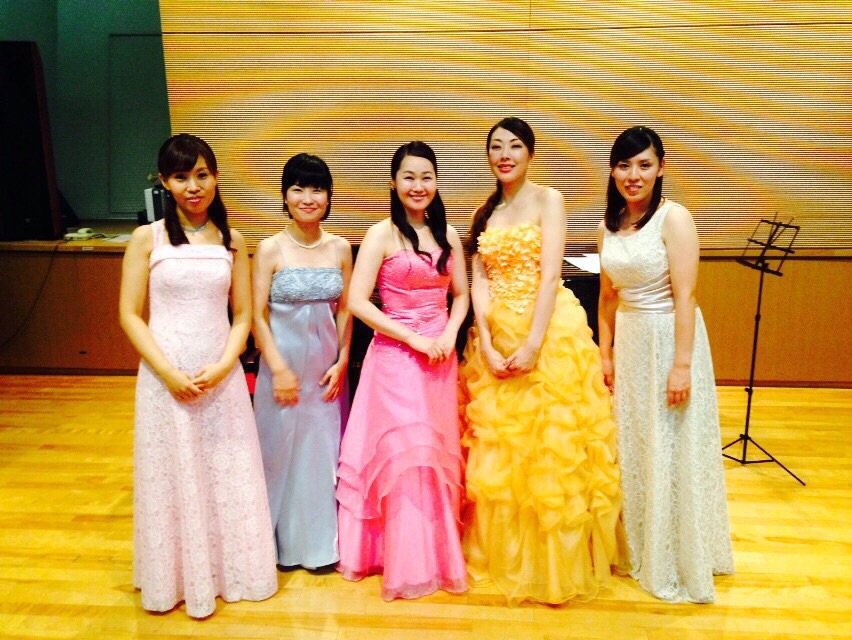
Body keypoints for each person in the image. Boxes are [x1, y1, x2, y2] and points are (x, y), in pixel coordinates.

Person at [459, 117, 627, 605]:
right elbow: (479, 280)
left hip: (548, 332)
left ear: (530, 154)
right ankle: (506, 555)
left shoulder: (549, 199)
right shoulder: (485, 211)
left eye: (515, 146)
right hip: (496, 336)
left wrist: (533, 344)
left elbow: (551, 274)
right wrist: (486, 343)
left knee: (553, 448)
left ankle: (555, 567)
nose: (505, 155)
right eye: (496, 147)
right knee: (504, 451)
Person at [119, 134, 277, 617]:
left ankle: (231, 572)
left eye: (202, 175)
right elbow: (129, 315)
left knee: (225, 468)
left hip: (219, 376)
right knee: (172, 472)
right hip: (163, 378)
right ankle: (176, 578)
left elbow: (244, 315)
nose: (194, 186)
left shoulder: (233, 240)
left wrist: (228, 363)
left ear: (216, 177)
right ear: (164, 182)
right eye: (181, 177)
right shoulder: (148, 238)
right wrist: (167, 372)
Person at [598, 125, 734, 603]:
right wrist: (605, 353)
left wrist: (682, 365)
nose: (633, 175)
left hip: (668, 339)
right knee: (635, 443)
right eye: (624, 165)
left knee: (670, 443)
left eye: (644, 165)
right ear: (613, 170)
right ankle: (639, 545)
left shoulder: (674, 218)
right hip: (630, 340)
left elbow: (686, 296)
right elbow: (607, 297)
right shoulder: (609, 225)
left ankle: (676, 555)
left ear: (660, 168)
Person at [335, 141, 469, 601]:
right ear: (393, 183)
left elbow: (461, 296)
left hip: (440, 359)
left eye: (426, 177)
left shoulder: (448, 235)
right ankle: (406, 559)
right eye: (409, 177)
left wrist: (449, 333)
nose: (418, 185)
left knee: (435, 452)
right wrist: (413, 339)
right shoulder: (381, 234)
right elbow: (357, 301)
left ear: (437, 182)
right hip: (396, 358)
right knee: (406, 454)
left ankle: (438, 553)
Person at [252, 153, 353, 570]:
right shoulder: (269, 248)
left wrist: (343, 360)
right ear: (284, 195)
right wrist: (277, 368)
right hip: (282, 366)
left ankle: (319, 547)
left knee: (320, 451)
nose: (308, 198)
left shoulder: (340, 247)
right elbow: (256, 315)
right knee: (278, 452)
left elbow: (345, 310)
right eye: (298, 189)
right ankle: (276, 546)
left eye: (317, 189)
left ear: (329, 196)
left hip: (325, 370)